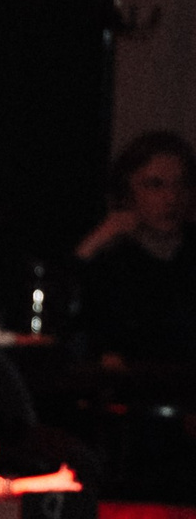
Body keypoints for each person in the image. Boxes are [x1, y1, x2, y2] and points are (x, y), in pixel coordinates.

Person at [74, 130, 196, 365]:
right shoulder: (113, 261)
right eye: (155, 185)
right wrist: (92, 246)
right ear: (128, 192)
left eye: (180, 185)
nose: (171, 198)